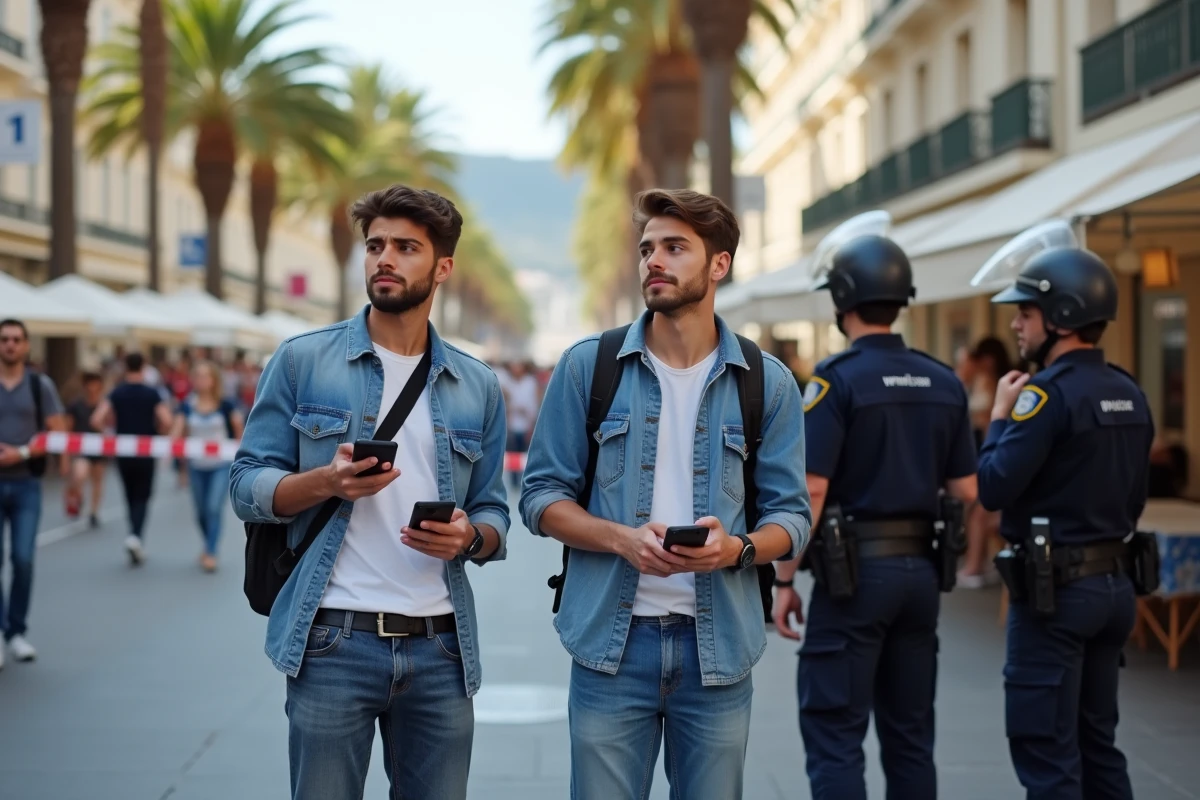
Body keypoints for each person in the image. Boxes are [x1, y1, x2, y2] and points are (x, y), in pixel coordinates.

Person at [520, 188, 810, 800]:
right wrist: (619, 539)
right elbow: (540, 496)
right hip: (610, 646)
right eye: (648, 246)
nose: (655, 259)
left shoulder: (768, 383)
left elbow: (791, 516)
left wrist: (735, 550)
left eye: (675, 247)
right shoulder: (587, 368)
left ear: (719, 265)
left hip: (719, 651)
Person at [229, 184, 509, 800]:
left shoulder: (477, 385)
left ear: (442, 268)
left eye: (405, 247)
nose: (384, 258)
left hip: (442, 647)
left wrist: (469, 536)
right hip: (332, 640)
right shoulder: (302, 361)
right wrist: (325, 482)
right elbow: (245, 484)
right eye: (375, 244)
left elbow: (494, 511)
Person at [771, 215, 978, 800]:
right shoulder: (943, 381)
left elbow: (810, 490)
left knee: (836, 732)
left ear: (843, 300)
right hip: (920, 578)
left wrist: (784, 578)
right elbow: (967, 491)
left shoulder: (836, 382)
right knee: (911, 737)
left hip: (853, 577)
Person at [976, 228, 1152, 800]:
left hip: (1057, 597)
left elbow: (994, 486)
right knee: (1099, 745)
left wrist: (1000, 418)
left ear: (1063, 315)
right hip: (1113, 588)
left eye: (1026, 312)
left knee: (1047, 752)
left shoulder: (1044, 396)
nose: (1015, 324)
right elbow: (1133, 498)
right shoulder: (1129, 389)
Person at [0, 319, 66, 667]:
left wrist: (21, 453)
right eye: (4, 339)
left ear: (26, 346)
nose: (10, 345)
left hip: (26, 482)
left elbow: (56, 431)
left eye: (16, 339)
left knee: (23, 559)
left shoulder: (40, 385)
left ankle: (17, 631)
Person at [91, 352, 173, 565]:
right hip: (146, 450)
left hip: (123, 450)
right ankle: (136, 535)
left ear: (125, 367)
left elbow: (96, 419)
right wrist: (160, 434)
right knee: (143, 495)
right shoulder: (152, 393)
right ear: (144, 367)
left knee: (129, 494)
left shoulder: (117, 392)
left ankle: (133, 534)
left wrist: (109, 435)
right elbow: (167, 419)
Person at [172, 360, 243, 572]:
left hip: (221, 464)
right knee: (201, 511)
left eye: (205, 376)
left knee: (213, 507)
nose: (201, 380)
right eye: (198, 375)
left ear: (214, 380)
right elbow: (178, 431)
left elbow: (239, 429)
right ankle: (207, 544)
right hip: (196, 465)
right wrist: (170, 452)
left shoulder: (226, 404)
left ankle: (211, 551)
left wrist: (240, 457)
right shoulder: (187, 404)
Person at [957, 337, 1013, 588]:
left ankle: (973, 567)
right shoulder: (982, 382)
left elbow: (987, 419)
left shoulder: (1001, 387)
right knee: (975, 508)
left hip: (994, 453)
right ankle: (976, 564)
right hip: (986, 451)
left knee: (979, 511)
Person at [65, 371, 109, 529]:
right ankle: (78, 496)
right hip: (81, 447)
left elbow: (110, 425)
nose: (92, 387)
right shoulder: (75, 405)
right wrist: (66, 455)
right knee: (80, 475)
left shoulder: (105, 404)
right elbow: (68, 428)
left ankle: (94, 512)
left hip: (99, 447)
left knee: (97, 479)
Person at [501, 359, 541, 491]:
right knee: (512, 452)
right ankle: (513, 481)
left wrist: (531, 418)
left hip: (526, 424)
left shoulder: (530, 382)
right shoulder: (508, 382)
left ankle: (524, 479)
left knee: (525, 454)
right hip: (512, 424)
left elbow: (535, 402)